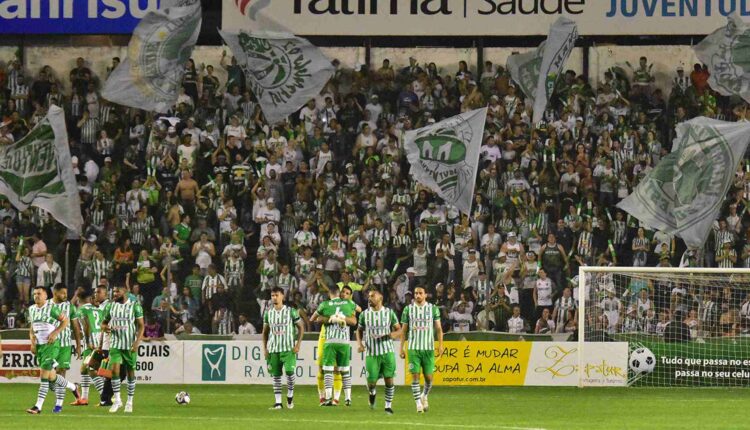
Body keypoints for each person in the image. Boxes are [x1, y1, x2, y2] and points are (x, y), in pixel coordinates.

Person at [26, 286, 81, 414]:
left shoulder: (52, 309)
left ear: (46, 295)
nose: (36, 296)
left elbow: (66, 321)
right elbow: (32, 328)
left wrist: (56, 333)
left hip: (54, 345)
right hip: (41, 346)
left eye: (39, 294)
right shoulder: (32, 309)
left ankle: (38, 406)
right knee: (52, 376)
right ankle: (73, 386)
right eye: (34, 294)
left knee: (44, 375)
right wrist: (32, 342)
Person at [100, 284, 145, 413]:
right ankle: (118, 400)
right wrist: (105, 327)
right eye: (113, 292)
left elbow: (141, 325)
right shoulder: (110, 305)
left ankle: (130, 401)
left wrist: (137, 342)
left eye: (117, 291)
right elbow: (103, 322)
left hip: (129, 345)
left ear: (125, 291)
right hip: (115, 344)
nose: (114, 294)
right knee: (115, 372)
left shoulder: (134, 305)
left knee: (131, 373)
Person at [356, 289, 401, 415]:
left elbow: (399, 330)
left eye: (372, 296)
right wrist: (360, 344)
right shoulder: (365, 314)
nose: (369, 298)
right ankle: (372, 393)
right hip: (372, 353)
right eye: (368, 296)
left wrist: (391, 335)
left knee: (389, 380)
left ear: (380, 298)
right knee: (371, 383)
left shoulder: (389, 313)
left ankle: (388, 406)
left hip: (387, 352)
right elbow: (359, 330)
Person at [400, 285, 444, 413]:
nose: (418, 295)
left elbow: (439, 329)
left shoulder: (433, 309)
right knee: (415, 376)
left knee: (429, 378)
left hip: (428, 348)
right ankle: (418, 404)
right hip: (413, 348)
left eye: (420, 293)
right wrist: (401, 348)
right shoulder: (408, 309)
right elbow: (403, 331)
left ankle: (424, 396)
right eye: (416, 293)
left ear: (425, 295)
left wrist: (441, 345)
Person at [314, 285, 358, 406]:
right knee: (321, 370)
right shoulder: (328, 305)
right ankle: (323, 398)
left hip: (338, 339)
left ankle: (336, 398)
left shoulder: (349, 306)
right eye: (343, 292)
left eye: (347, 293)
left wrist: (340, 317)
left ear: (350, 296)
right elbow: (317, 318)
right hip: (324, 337)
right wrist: (330, 318)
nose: (344, 294)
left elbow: (355, 319)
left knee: (338, 371)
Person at [262, 287, 304, 410]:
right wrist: (265, 348)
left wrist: (298, 344)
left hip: (288, 348)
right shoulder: (268, 313)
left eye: (277, 295)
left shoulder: (291, 311)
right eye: (272, 295)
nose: (274, 297)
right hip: (274, 349)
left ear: (282, 296)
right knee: (276, 376)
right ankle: (278, 402)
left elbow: (301, 327)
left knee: (290, 373)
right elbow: (265, 332)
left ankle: (290, 396)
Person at [47, 284, 81, 407]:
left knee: (61, 371)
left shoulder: (70, 307)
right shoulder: (46, 305)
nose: (65, 295)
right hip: (49, 344)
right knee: (50, 374)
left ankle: (58, 404)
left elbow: (76, 327)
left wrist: (78, 345)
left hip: (65, 345)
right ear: (55, 293)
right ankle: (71, 386)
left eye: (66, 293)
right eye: (62, 293)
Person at [71, 288, 106, 406]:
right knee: (84, 370)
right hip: (100, 338)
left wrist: (87, 341)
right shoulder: (97, 309)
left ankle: (104, 396)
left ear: (79, 300)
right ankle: (84, 398)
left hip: (90, 340)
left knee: (91, 370)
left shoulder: (81, 310)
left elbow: (86, 326)